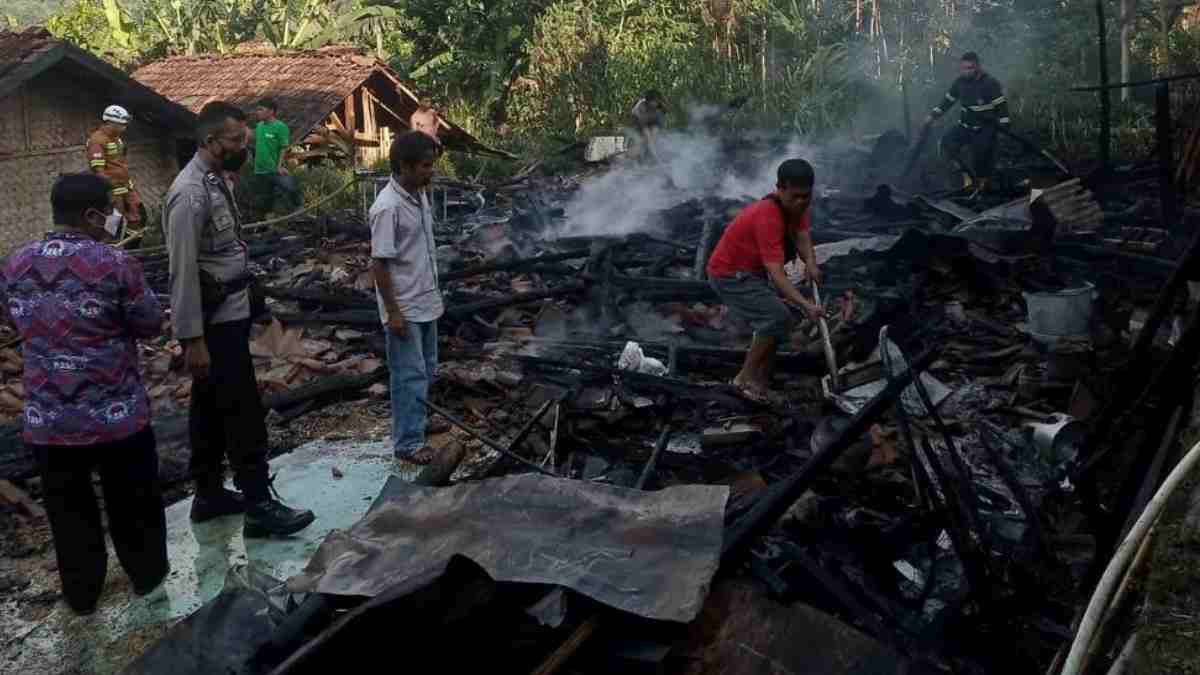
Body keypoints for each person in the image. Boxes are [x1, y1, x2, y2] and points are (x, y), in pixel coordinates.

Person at [1, 173, 166, 614]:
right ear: (92, 214)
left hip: (48, 420)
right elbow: (151, 323)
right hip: (116, 415)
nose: (114, 217)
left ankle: (82, 593)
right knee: (134, 504)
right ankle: (147, 576)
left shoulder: (15, 265)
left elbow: (14, 320)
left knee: (68, 512)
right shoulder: (114, 264)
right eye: (110, 210)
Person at [164, 101, 315, 537]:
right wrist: (192, 339)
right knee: (241, 409)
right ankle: (258, 505)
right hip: (213, 324)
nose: (242, 149)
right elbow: (183, 270)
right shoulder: (189, 193)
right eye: (235, 142)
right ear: (211, 142)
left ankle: (209, 495)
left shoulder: (215, 181)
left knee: (208, 407)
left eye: (244, 142)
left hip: (229, 311)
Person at [706, 159, 825, 404]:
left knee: (777, 322)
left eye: (807, 196)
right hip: (729, 275)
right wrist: (806, 304)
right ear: (779, 189)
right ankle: (742, 380)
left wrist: (811, 263)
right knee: (776, 317)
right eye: (796, 196)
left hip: (752, 273)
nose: (802, 202)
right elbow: (776, 273)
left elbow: (802, 235)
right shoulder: (768, 216)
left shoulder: (797, 208)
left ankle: (760, 385)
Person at [370, 131, 443, 464]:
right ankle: (408, 443)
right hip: (406, 307)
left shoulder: (418, 195)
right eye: (426, 166)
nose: (432, 172)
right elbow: (380, 264)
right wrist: (393, 312)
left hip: (426, 300)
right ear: (404, 166)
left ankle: (420, 422)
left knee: (426, 369)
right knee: (408, 375)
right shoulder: (387, 207)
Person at [925, 51, 1011, 193]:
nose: (966, 71)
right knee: (947, 143)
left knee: (980, 155)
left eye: (969, 68)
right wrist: (933, 115)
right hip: (965, 126)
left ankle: (983, 186)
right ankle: (967, 177)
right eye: (964, 68)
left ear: (977, 67)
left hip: (985, 128)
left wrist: (1005, 128)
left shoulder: (990, 83)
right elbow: (948, 101)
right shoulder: (960, 83)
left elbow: (1002, 107)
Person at [86, 105, 142, 227]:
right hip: (112, 187)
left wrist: (130, 185)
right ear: (110, 123)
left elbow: (122, 163)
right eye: (121, 124)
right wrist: (109, 192)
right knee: (115, 217)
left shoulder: (117, 140)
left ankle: (132, 241)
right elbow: (99, 171)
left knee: (136, 211)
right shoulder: (97, 140)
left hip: (125, 185)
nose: (124, 127)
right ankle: (110, 241)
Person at [251, 98, 301, 218]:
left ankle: (299, 212)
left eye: (260, 109)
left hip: (274, 169)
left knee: (291, 188)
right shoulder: (259, 126)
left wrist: (279, 166)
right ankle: (265, 225)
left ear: (271, 111)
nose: (257, 112)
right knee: (264, 201)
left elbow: (283, 148)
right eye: (257, 109)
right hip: (259, 170)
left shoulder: (281, 127)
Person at [630, 90, 666, 162]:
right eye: (654, 101)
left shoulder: (659, 109)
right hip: (639, 123)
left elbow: (658, 127)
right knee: (642, 143)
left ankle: (650, 156)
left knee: (654, 138)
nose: (656, 103)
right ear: (648, 101)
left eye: (657, 101)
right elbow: (644, 129)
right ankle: (633, 158)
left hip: (652, 122)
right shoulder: (640, 107)